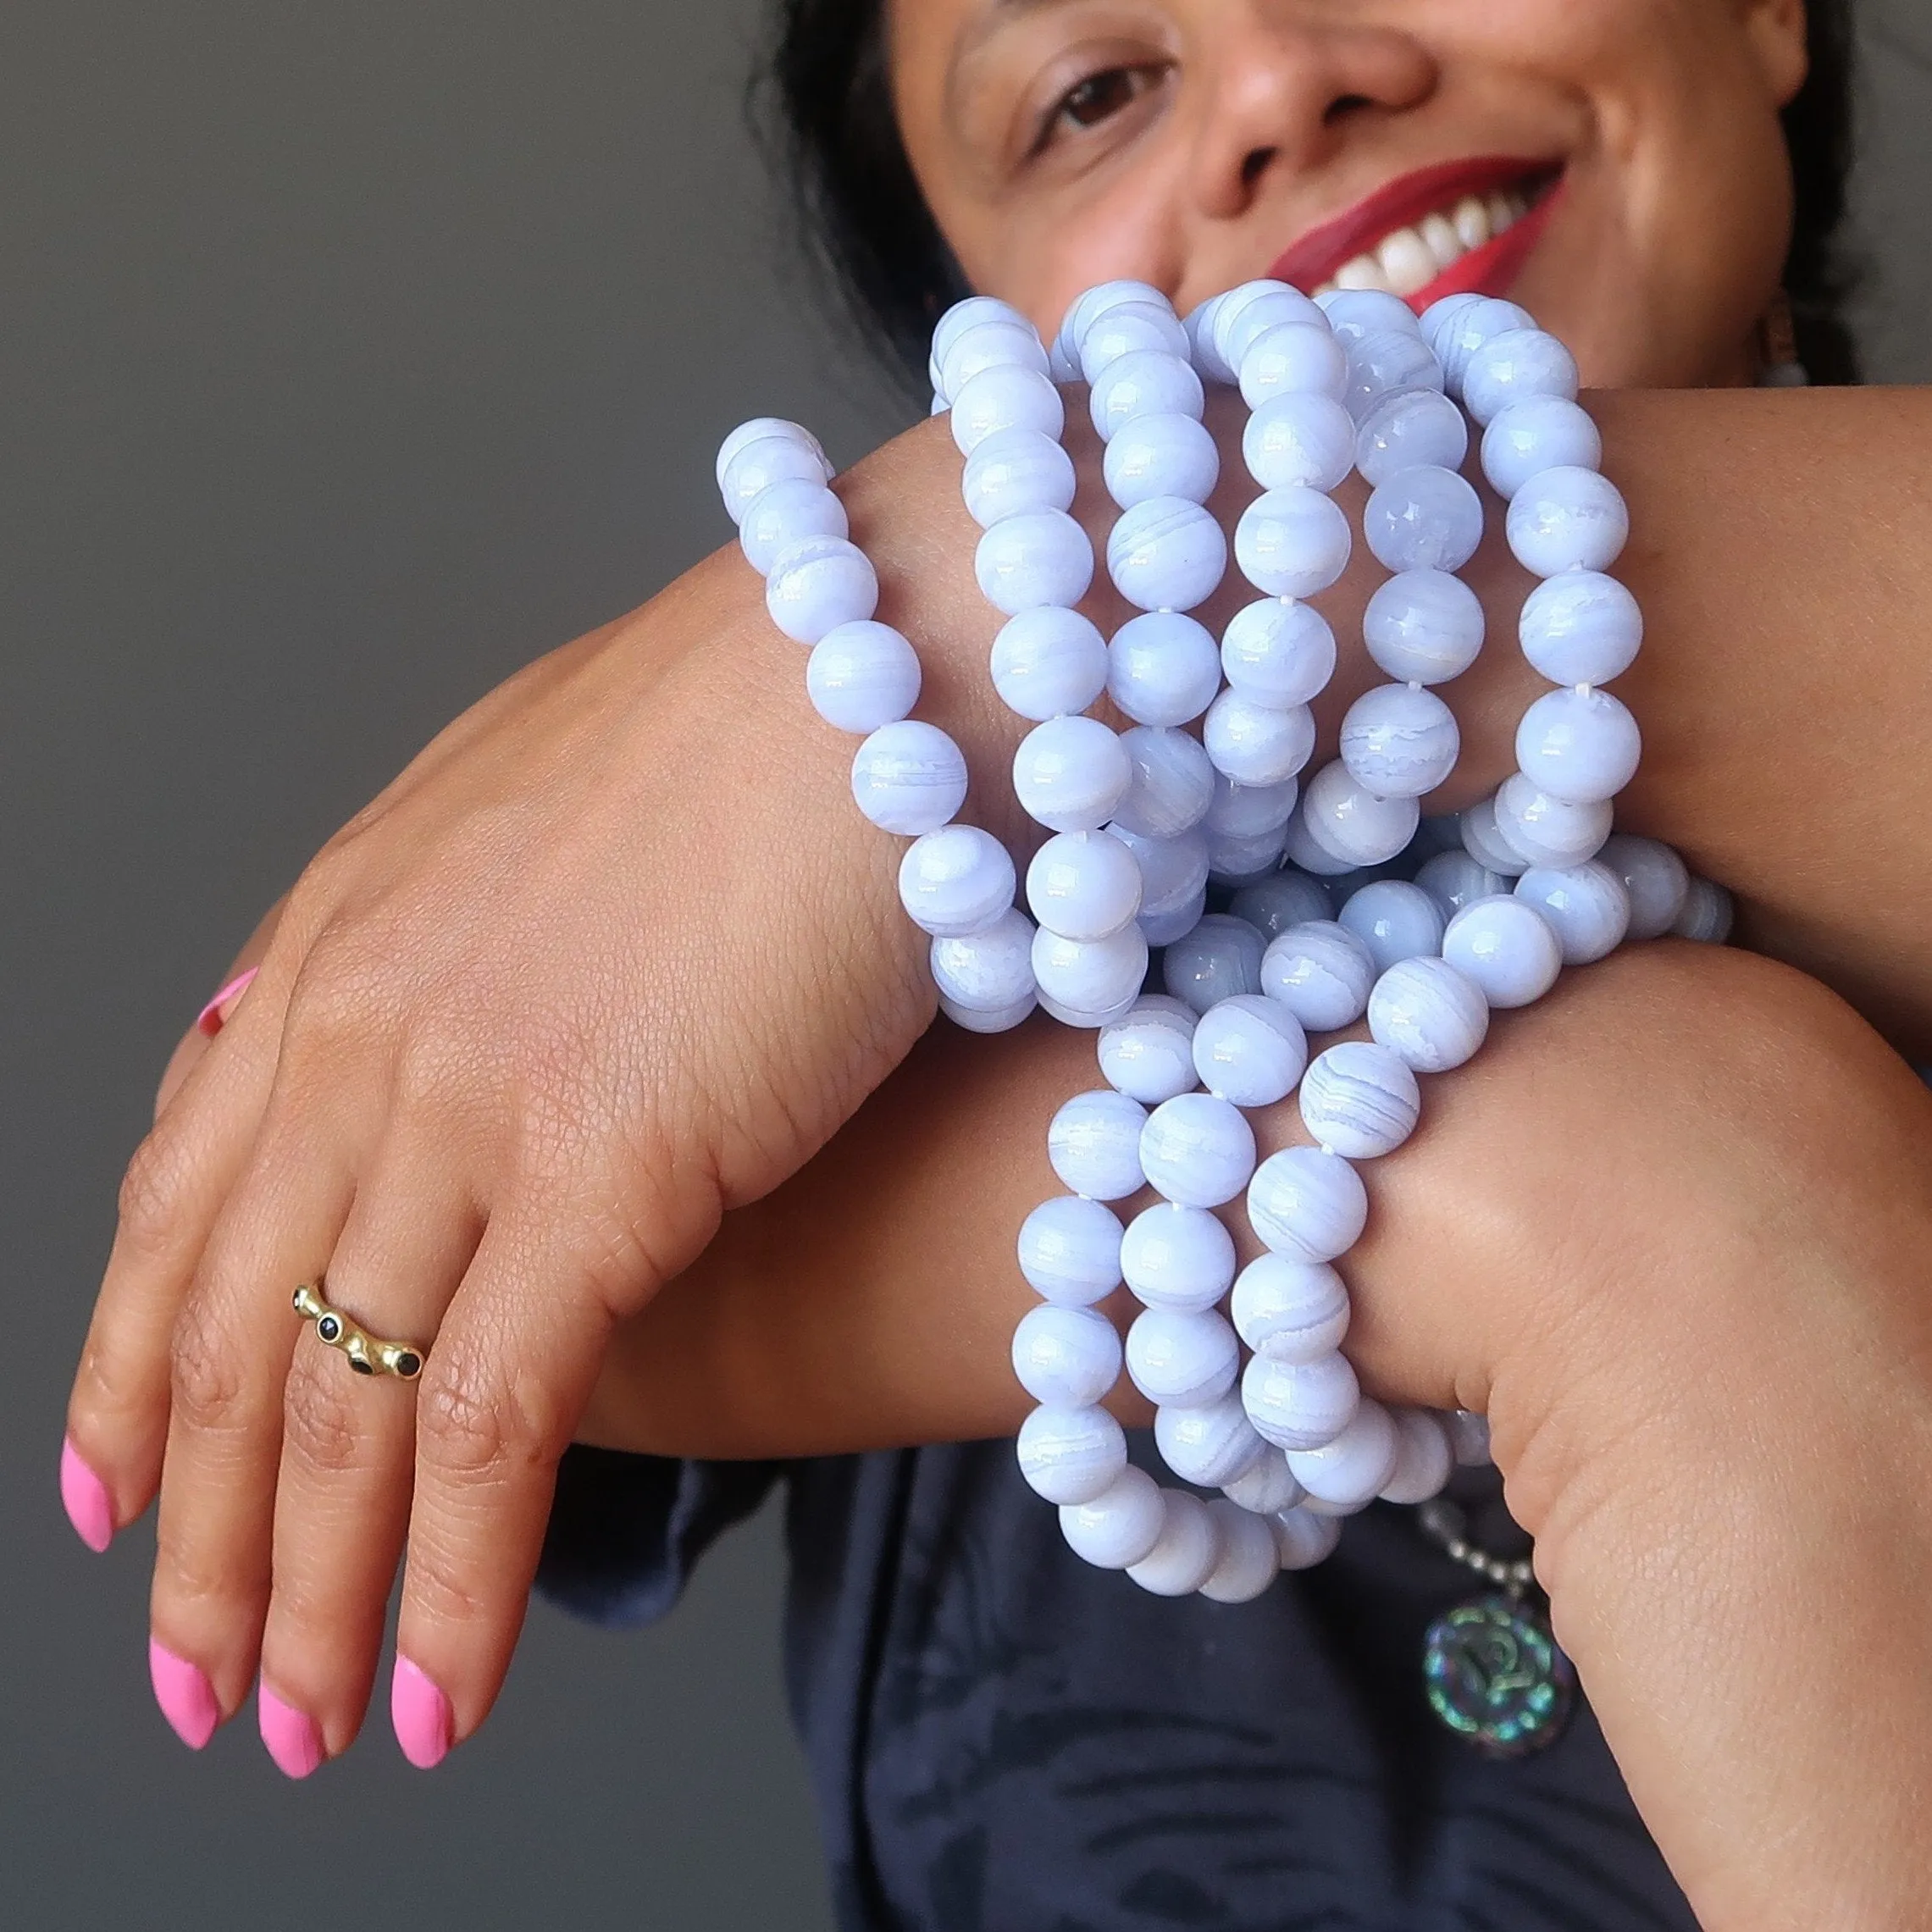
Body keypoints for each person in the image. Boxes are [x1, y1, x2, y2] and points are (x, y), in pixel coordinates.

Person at [58, 0, 1932, 1924]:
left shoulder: (922, 635)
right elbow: (357, 1224)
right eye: (1093, 96)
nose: (1283, 84)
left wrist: (1086, 541)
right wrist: (1566, 1181)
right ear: (986, 302)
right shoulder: (834, 987)